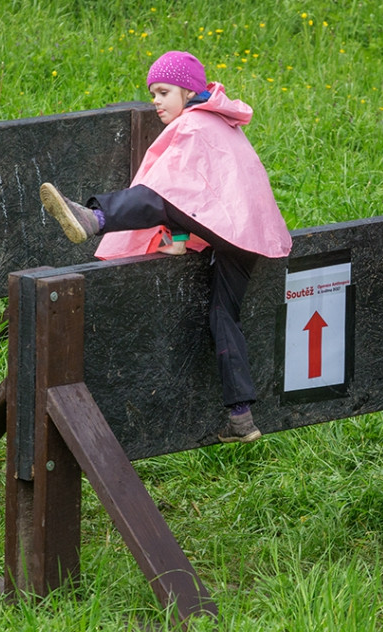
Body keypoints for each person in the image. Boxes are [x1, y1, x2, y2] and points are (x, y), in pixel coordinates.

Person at [39, 50, 292, 443]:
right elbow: (200, 190)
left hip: (233, 229)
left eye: (163, 92)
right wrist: (179, 240)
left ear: (188, 92)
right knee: (223, 316)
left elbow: (171, 192)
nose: (155, 101)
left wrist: (167, 230)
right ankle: (241, 416)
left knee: (154, 196)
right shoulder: (219, 123)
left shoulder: (195, 124)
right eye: (152, 93)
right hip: (248, 237)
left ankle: (95, 219)